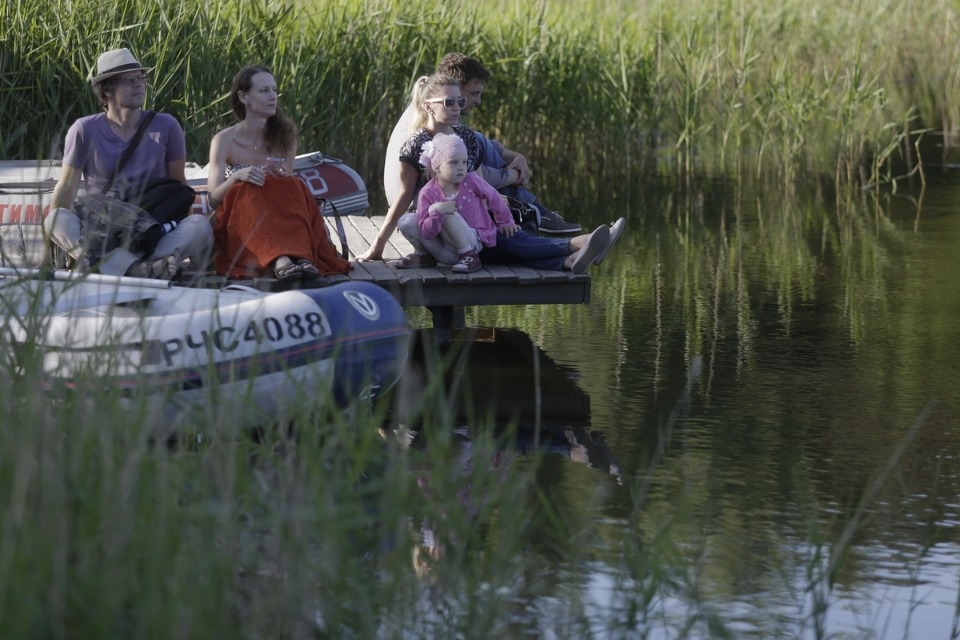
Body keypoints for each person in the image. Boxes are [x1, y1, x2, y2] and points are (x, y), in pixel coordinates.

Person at [45, 47, 213, 278]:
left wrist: (178, 234)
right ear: (106, 92)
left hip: (153, 228)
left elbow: (179, 189)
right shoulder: (84, 130)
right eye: (129, 80)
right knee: (56, 219)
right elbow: (66, 188)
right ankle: (141, 269)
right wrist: (50, 251)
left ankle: (124, 267)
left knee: (200, 226)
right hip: (105, 233)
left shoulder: (166, 126)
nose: (139, 84)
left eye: (141, 77)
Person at [383, 53, 582, 236]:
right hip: (429, 208)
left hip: (435, 201)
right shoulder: (424, 132)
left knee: (475, 139)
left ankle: (537, 215)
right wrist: (514, 175)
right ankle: (540, 216)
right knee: (472, 143)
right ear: (455, 88)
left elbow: (487, 147)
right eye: (475, 93)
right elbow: (476, 179)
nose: (478, 101)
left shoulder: (432, 114)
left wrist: (517, 157)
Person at [206, 65, 350, 281]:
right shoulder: (224, 140)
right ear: (244, 97)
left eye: (274, 90)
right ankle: (279, 258)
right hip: (240, 218)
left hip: (277, 215)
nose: (273, 97)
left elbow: (287, 196)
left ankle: (300, 257)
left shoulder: (285, 137)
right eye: (264, 91)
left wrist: (276, 177)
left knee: (292, 185)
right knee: (248, 190)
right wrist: (237, 176)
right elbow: (213, 200)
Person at [415, 132, 617, 274]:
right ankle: (587, 243)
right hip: (469, 252)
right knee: (520, 246)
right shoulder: (428, 194)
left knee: (519, 249)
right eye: (453, 162)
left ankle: (572, 258)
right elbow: (426, 233)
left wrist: (506, 221)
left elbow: (494, 198)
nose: (461, 167)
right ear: (437, 167)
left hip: (488, 236)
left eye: (463, 161)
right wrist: (437, 213)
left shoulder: (470, 179)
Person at [358, 73, 484, 263]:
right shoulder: (416, 144)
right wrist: (377, 246)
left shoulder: (467, 137)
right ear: (427, 106)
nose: (457, 107)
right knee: (407, 221)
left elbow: (481, 187)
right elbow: (405, 196)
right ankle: (426, 256)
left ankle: (460, 254)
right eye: (449, 102)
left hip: (467, 227)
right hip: (435, 224)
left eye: (460, 101)